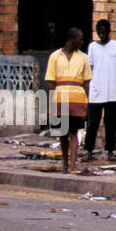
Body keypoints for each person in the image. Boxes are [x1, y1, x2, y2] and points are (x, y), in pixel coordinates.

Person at [43, 28, 92, 174]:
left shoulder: (83, 58)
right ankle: (65, 161)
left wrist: (87, 103)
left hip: (77, 99)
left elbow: (87, 82)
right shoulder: (55, 57)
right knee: (62, 133)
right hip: (60, 99)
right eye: (80, 39)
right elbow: (51, 82)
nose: (82, 42)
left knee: (73, 132)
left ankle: (72, 163)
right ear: (72, 39)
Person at [85, 19, 116, 160]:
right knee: (93, 122)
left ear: (109, 30)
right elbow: (89, 68)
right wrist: (86, 91)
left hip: (113, 91)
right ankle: (89, 151)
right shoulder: (92, 47)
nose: (101, 33)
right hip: (96, 91)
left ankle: (110, 151)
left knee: (110, 123)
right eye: (99, 31)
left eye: (104, 30)